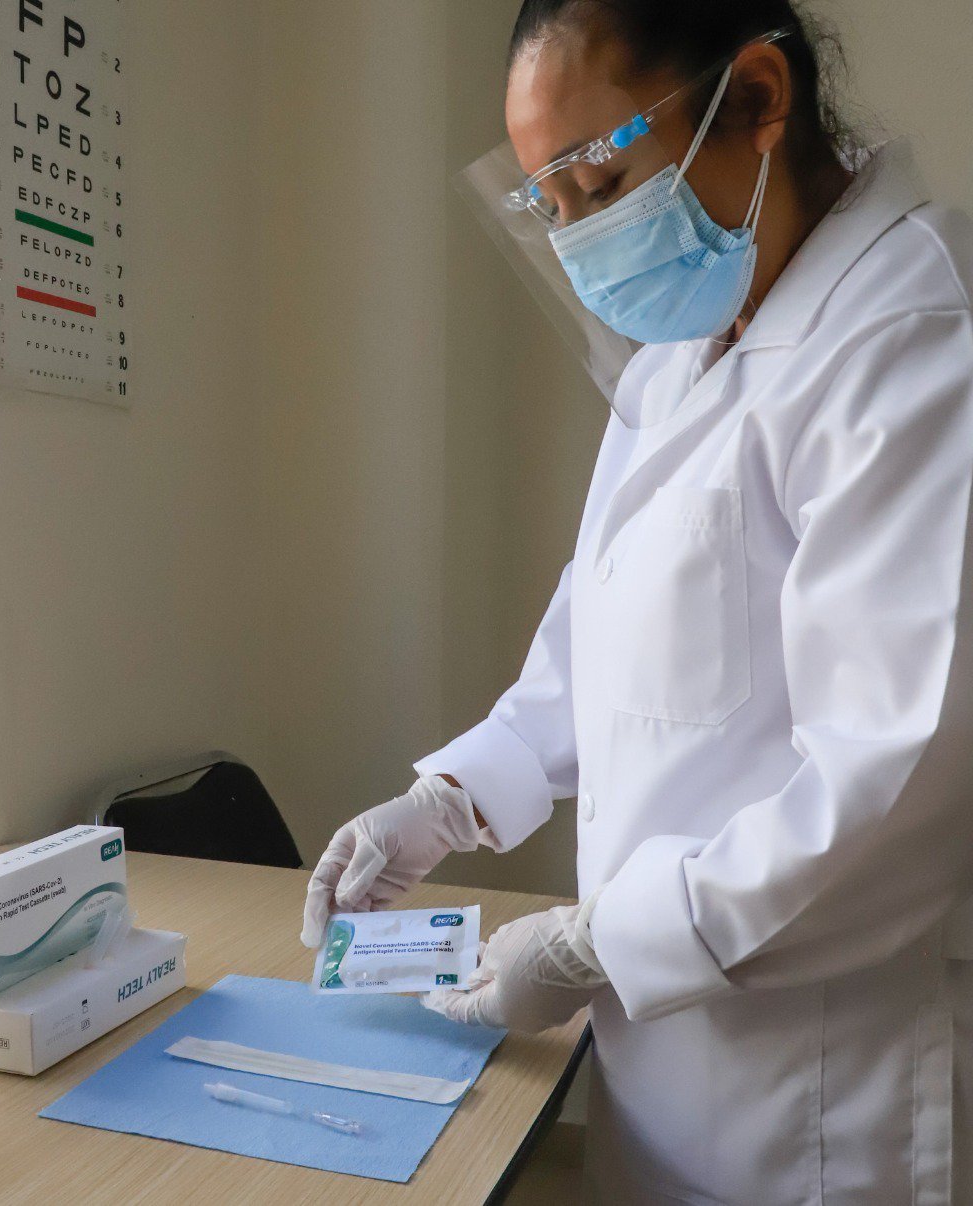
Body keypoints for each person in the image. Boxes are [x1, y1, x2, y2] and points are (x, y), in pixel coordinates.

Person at [300, 1, 973, 1201]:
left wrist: (593, 941)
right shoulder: (682, 353)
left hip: (821, 1096)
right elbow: (607, 638)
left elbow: (893, 780)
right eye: (548, 206)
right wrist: (451, 797)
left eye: (600, 184)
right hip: (669, 1059)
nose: (580, 240)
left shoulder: (913, 337)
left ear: (756, 97)